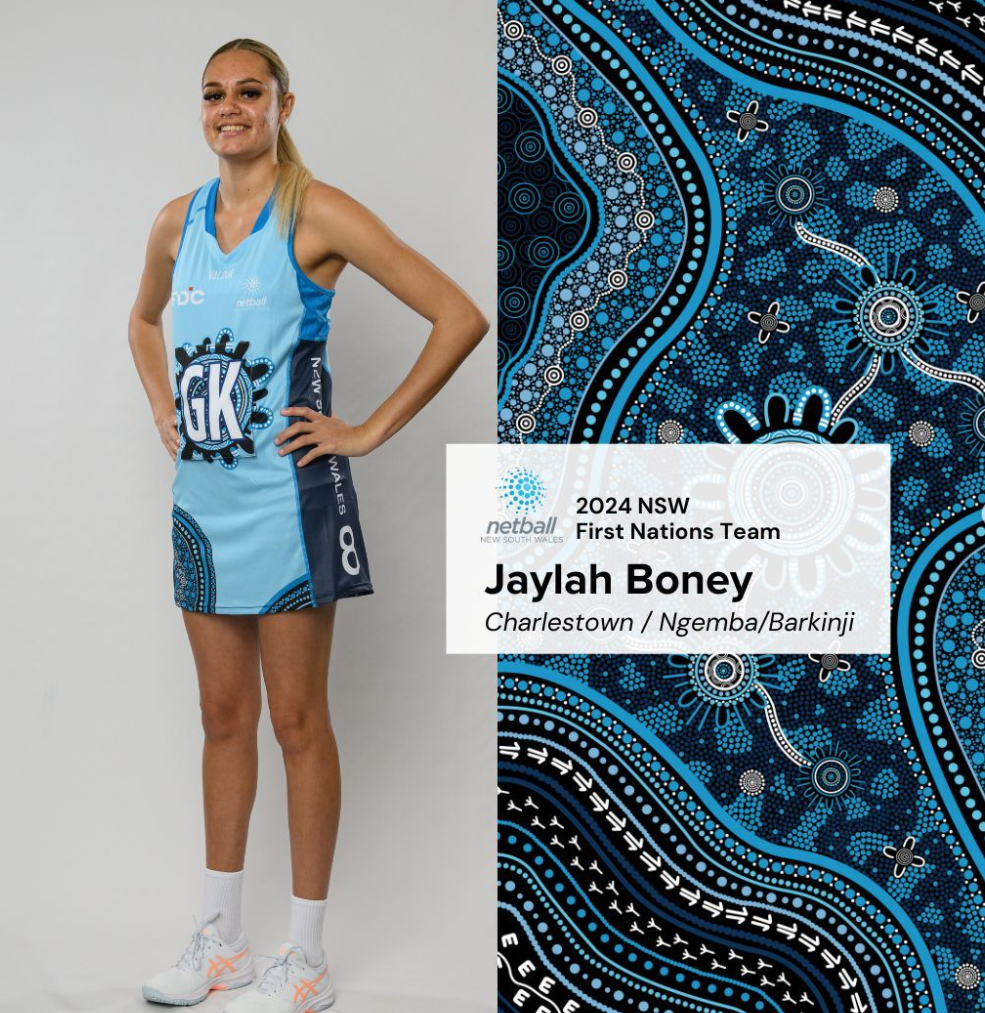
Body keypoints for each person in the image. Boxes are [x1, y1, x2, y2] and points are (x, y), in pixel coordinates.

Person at [127, 37, 489, 1011]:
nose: (230, 107)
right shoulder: (174, 222)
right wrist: (161, 403)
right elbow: (142, 321)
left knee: (295, 722)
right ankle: (221, 940)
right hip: (203, 508)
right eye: (215, 93)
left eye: (250, 91)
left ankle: (307, 952)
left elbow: (458, 315)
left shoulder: (316, 211)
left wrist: (363, 430)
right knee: (221, 718)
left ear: (284, 104)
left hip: (290, 506)